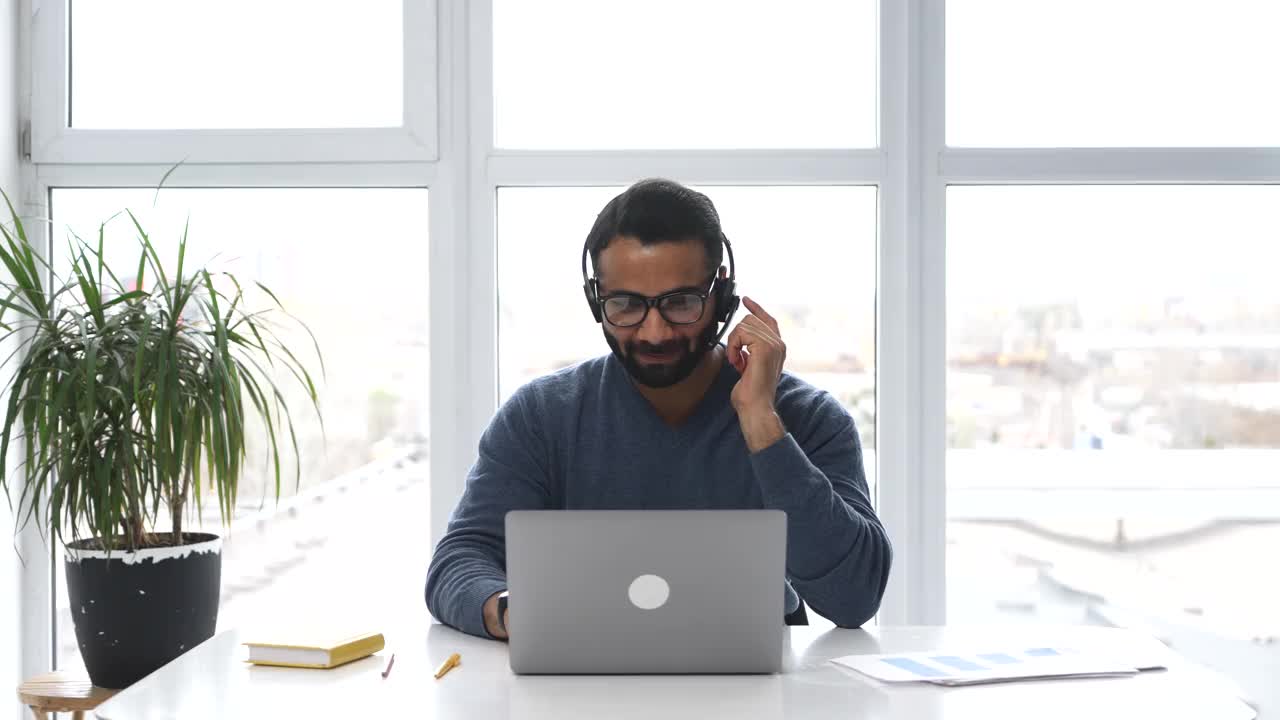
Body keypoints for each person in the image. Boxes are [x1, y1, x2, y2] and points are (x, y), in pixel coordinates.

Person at [425, 178, 891, 640]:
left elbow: (854, 598)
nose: (654, 333)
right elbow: (461, 559)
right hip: (579, 686)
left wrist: (762, 423)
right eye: (626, 305)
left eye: (681, 302)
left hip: (759, 694)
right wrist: (508, 610)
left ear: (722, 296)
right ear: (596, 299)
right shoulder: (540, 416)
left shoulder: (808, 418)